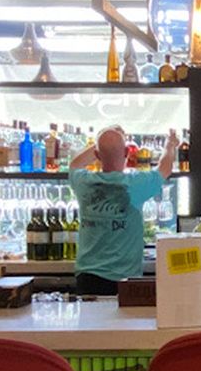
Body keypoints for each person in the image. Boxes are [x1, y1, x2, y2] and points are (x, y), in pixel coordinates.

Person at [67, 125, 177, 295]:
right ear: (127, 152)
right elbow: (165, 168)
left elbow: (74, 164)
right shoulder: (135, 184)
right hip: (125, 279)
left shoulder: (84, 182)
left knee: (90, 322)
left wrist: (101, 143)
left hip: (87, 277)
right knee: (123, 322)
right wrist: (170, 145)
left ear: (96, 156)